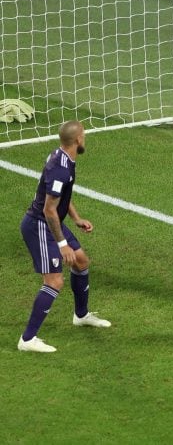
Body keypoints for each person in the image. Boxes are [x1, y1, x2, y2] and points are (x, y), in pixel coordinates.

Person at [18, 120, 111, 353]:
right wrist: (62, 244)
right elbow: (49, 209)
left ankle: (81, 315)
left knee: (81, 262)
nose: (85, 138)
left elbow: (62, 196)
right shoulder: (61, 167)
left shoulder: (64, 158)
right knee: (54, 281)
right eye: (84, 135)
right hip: (40, 224)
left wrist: (77, 218)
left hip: (52, 221)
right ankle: (27, 340)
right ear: (78, 139)